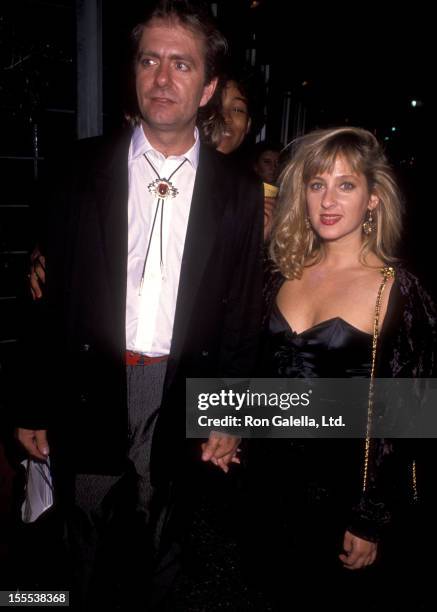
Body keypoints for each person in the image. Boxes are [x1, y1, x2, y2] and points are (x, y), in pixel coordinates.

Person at [16, 1, 263, 609]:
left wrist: (232, 412)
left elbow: (243, 313)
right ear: (134, 72)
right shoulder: (77, 169)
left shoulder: (238, 191)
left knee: (167, 556)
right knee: (85, 552)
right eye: (150, 60)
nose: (162, 78)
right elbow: (47, 304)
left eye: (182, 65)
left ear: (207, 88)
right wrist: (29, 400)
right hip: (90, 383)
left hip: (179, 389)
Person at [244, 126, 436, 610]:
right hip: (261, 488)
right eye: (316, 184)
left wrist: (371, 517)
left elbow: (409, 422)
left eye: (346, 185)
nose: (328, 199)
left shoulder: (397, 290)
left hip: (342, 499)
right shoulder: (278, 272)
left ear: (373, 198)